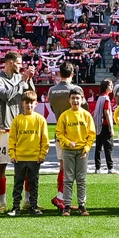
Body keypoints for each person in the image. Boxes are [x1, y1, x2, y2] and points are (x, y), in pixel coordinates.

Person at [0, 51, 35, 212]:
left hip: (22, 127)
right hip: (4, 128)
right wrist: (22, 81)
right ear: (10, 63)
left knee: (27, 166)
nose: (21, 66)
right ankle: (3, 203)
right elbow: (6, 95)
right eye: (19, 63)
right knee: (2, 167)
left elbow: (31, 96)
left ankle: (27, 201)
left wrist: (30, 79)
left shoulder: (20, 78)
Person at [7, 85, 50, 216]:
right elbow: (12, 139)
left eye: (32, 103)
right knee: (18, 184)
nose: (29, 105)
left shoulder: (40, 119)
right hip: (19, 157)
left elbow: (45, 139)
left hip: (34, 157)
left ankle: (33, 206)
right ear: (22, 103)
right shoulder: (17, 120)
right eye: (27, 102)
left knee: (33, 183)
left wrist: (42, 154)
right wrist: (12, 153)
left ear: (36, 104)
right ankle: (15, 207)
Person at [57, 87, 97, 216]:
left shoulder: (86, 115)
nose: (75, 101)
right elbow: (59, 133)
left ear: (82, 99)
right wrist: (67, 142)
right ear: (69, 100)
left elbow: (91, 134)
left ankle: (82, 205)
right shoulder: (65, 115)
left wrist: (86, 148)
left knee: (81, 179)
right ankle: (67, 206)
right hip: (68, 151)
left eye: (77, 98)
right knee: (68, 179)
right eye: (73, 98)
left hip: (82, 151)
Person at [46, 60, 79, 210]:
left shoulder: (52, 90)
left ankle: (62, 197)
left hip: (59, 131)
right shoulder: (76, 89)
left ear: (59, 74)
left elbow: (52, 108)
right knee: (71, 169)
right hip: (73, 132)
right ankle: (60, 197)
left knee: (63, 166)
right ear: (72, 74)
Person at [91, 83, 118, 173]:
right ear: (106, 87)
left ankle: (97, 168)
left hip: (99, 125)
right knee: (108, 147)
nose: (112, 87)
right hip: (105, 125)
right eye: (110, 85)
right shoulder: (106, 98)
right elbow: (106, 113)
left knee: (98, 147)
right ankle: (110, 167)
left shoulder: (100, 97)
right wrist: (111, 127)